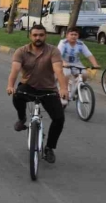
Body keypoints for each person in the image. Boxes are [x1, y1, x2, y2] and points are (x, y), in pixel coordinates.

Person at [6, 24, 68, 163]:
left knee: (59, 119)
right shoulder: (21, 51)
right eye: (35, 35)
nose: (38, 38)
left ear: (45, 36)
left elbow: (58, 70)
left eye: (41, 35)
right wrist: (10, 85)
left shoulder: (53, 51)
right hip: (28, 86)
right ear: (30, 36)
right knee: (17, 96)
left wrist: (63, 88)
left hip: (48, 89)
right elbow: (15, 70)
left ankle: (49, 148)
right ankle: (22, 119)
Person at [57, 27, 100, 104]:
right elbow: (58, 55)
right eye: (71, 34)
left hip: (77, 63)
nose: (73, 36)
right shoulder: (63, 43)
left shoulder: (80, 44)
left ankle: (78, 88)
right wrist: (63, 63)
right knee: (66, 74)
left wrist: (95, 64)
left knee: (85, 74)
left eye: (75, 34)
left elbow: (89, 54)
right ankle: (64, 92)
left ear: (78, 36)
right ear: (67, 35)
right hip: (64, 63)